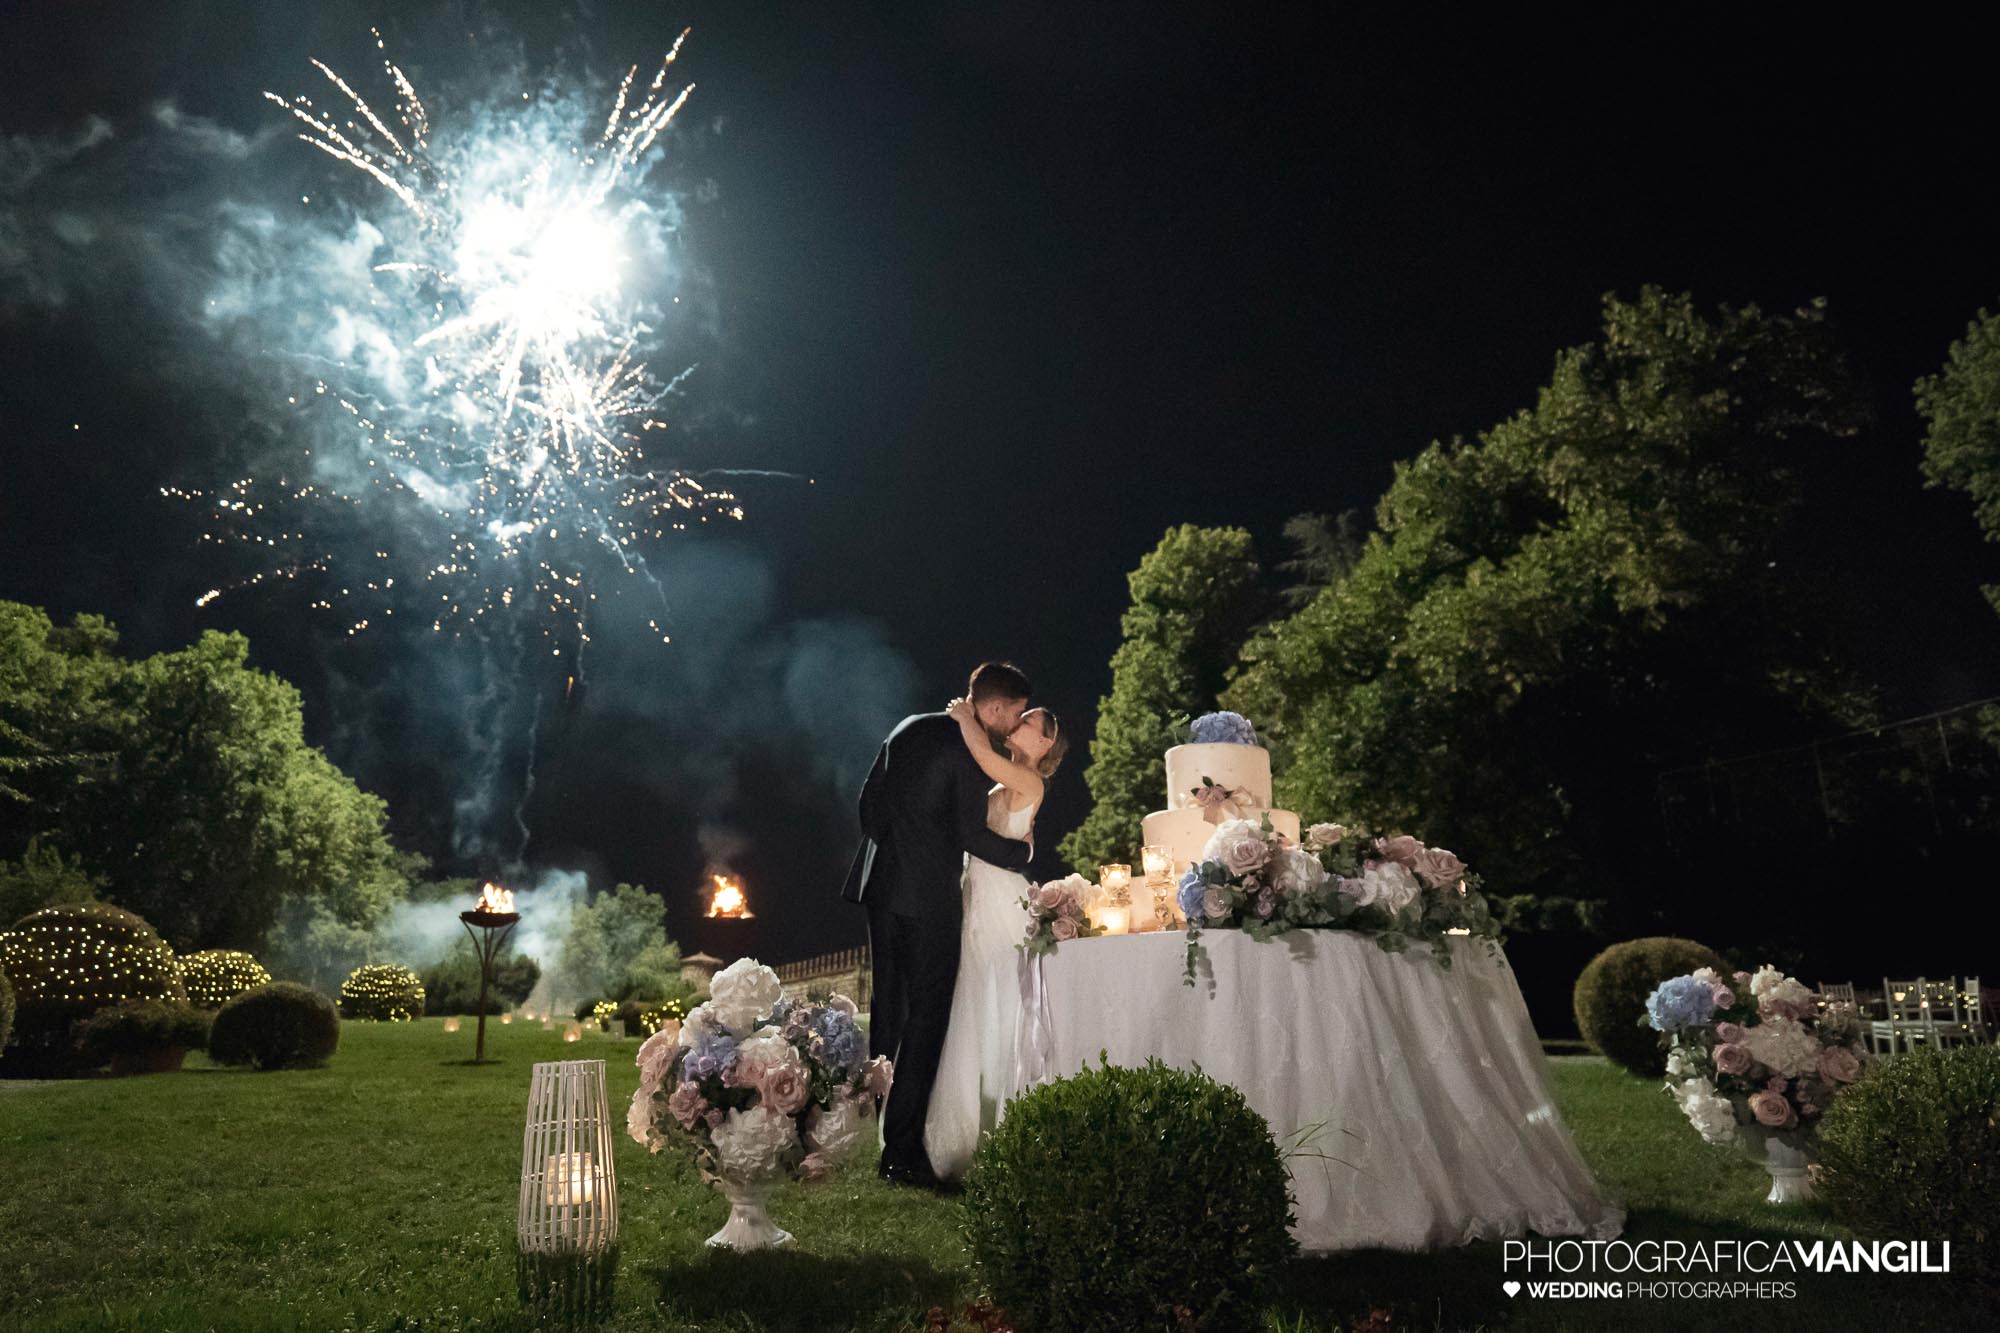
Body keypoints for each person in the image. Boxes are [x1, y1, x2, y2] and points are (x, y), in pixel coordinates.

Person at [842, 661, 1036, 1190]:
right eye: (1014, 715)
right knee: (926, 1022)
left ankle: (875, 1132)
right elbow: (969, 833)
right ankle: (901, 1154)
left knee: (887, 1013)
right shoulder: (973, 754)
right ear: (994, 708)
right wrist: (1021, 854)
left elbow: (868, 808)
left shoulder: (907, 728)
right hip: (929, 902)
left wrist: (902, 853)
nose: (1013, 724)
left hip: (882, 889)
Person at [923, 695, 1067, 1180]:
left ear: (1044, 741)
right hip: (974, 890)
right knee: (970, 998)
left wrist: (968, 720)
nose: (1019, 723)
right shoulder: (1005, 773)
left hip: (1001, 898)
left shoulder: (1031, 780)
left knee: (1000, 999)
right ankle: (964, 1129)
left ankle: (1008, 1123)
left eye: (1028, 721)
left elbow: (983, 759)